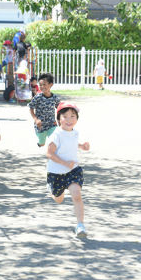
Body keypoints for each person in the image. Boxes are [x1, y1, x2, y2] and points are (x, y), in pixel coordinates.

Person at [46, 102, 90, 238]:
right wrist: (64, 163)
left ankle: (80, 225)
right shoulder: (56, 135)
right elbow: (49, 153)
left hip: (73, 170)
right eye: (65, 116)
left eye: (72, 116)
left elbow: (71, 144)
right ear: (59, 119)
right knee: (58, 199)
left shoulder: (75, 132)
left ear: (77, 118)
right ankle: (52, 190)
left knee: (76, 194)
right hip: (56, 173)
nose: (69, 120)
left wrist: (82, 146)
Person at [28, 73, 60, 147]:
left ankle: (54, 153)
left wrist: (60, 121)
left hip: (51, 124)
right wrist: (36, 119)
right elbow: (31, 108)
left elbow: (59, 109)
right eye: (40, 85)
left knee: (55, 139)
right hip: (40, 125)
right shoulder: (38, 97)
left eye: (44, 84)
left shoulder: (55, 97)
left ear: (51, 85)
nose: (42, 87)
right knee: (42, 143)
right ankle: (40, 143)